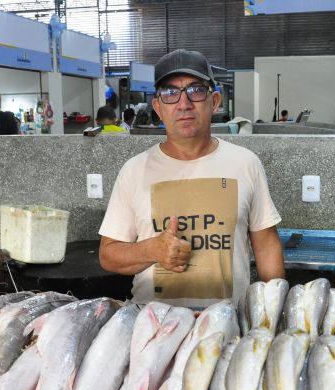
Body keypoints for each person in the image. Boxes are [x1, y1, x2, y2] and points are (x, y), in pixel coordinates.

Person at [98, 49, 285, 308]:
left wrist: (273, 313)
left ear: (215, 101)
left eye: (196, 90)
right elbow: (108, 254)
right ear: (158, 108)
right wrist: (153, 249)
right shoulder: (134, 170)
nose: (183, 104)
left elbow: (266, 247)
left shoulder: (246, 164)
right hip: (153, 326)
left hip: (228, 323)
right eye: (170, 93)